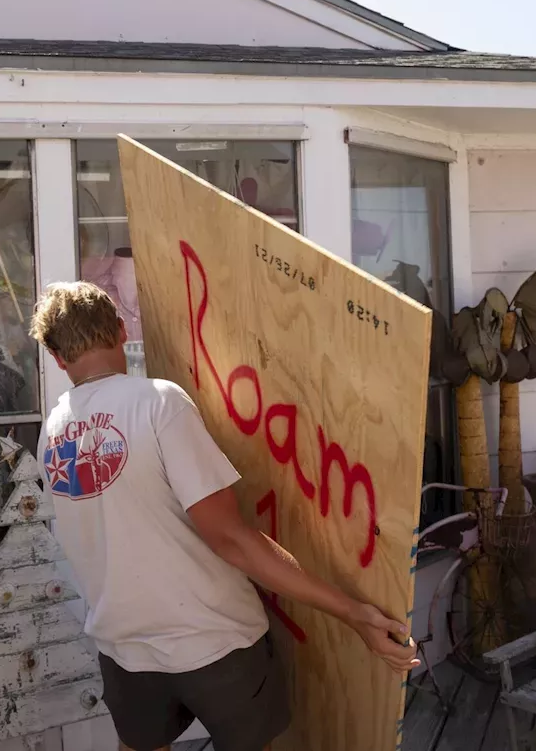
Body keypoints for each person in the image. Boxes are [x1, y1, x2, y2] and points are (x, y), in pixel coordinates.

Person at [28, 282, 419, 751]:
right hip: (214, 641)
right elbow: (230, 539)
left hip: (124, 649)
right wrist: (353, 612)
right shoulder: (157, 402)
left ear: (55, 356)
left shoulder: (52, 432)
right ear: (120, 328)